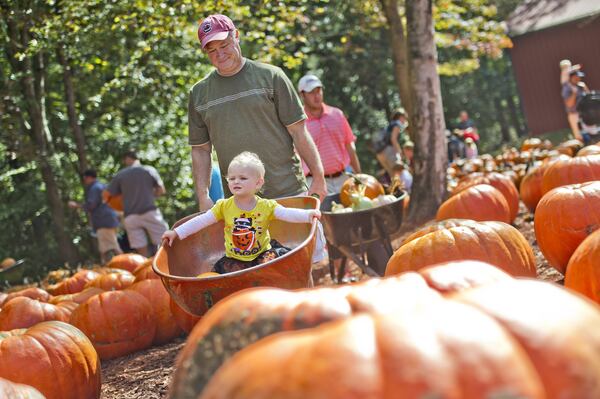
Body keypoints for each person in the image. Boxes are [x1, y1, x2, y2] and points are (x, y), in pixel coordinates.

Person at [187, 14, 326, 212]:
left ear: (236, 35)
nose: (220, 54)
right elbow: (200, 150)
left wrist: (318, 177)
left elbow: (299, 132)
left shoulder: (271, 77)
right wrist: (203, 196)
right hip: (241, 203)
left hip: (288, 193)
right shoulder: (199, 93)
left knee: (307, 244)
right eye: (212, 50)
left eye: (224, 45)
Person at [162, 152, 321, 274]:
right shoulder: (223, 206)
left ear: (258, 182)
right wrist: (176, 232)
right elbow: (201, 221)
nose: (236, 181)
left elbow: (287, 214)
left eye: (243, 178)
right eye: (232, 178)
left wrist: (308, 215)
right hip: (235, 259)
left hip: (261, 254)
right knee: (225, 277)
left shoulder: (266, 206)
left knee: (274, 266)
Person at [297, 74, 361, 194]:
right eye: (311, 92)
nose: (317, 96)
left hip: (343, 179)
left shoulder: (337, 114)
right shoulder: (299, 122)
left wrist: (359, 175)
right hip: (314, 182)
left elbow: (350, 146)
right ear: (302, 95)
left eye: (319, 91)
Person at [106, 150, 168, 257]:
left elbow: (107, 195)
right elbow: (161, 190)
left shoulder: (120, 175)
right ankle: (163, 267)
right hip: (150, 212)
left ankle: (144, 269)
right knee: (164, 242)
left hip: (130, 216)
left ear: (127, 159)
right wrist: (150, 196)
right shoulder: (149, 170)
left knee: (141, 249)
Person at [68, 169, 122, 263]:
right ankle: (106, 267)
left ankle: (128, 265)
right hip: (110, 219)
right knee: (104, 249)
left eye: (84, 178)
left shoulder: (94, 188)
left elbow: (91, 205)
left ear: (88, 177)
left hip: (103, 220)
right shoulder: (103, 186)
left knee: (113, 246)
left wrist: (76, 205)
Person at [375, 109, 409, 177]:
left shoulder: (390, 125)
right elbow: (393, 139)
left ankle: (396, 187)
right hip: (389, 151)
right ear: (401, 117)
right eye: (404, 118)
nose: (405, 121)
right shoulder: (397, 124)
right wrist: (399, 151)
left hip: (380, 152)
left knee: (392, 176)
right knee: (398, 173)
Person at [562, 68, 589, 142]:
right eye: (577, 76)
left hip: (585, 113)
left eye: (579, 77)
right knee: (579, 135)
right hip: (574, 114)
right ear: (571, 77)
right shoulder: (567, 88)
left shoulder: (581, 86)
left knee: (589, 132)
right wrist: (574, 93)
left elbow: (588, 97)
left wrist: (585, 88)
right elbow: (569, 104)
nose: (578, 78)